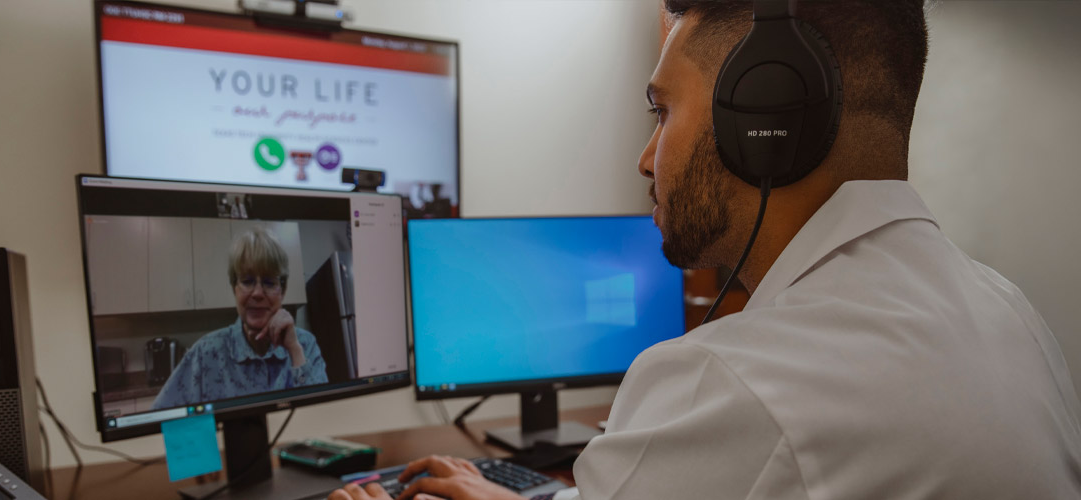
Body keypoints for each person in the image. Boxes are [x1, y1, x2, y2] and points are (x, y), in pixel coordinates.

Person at [330, 1, 1081, 499]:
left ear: (766, 120)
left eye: (662, 111)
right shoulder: (1009, 312)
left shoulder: (727, 381)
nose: (646, 158)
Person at [152, 227, 328, 410]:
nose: (258, 293)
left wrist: (295, 351)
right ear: (234, 288)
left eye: (269, 282)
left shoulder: (305, 345)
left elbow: (324, 416)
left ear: (282, 291)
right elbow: (159, 420)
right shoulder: (204, 354)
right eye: (247, 281)